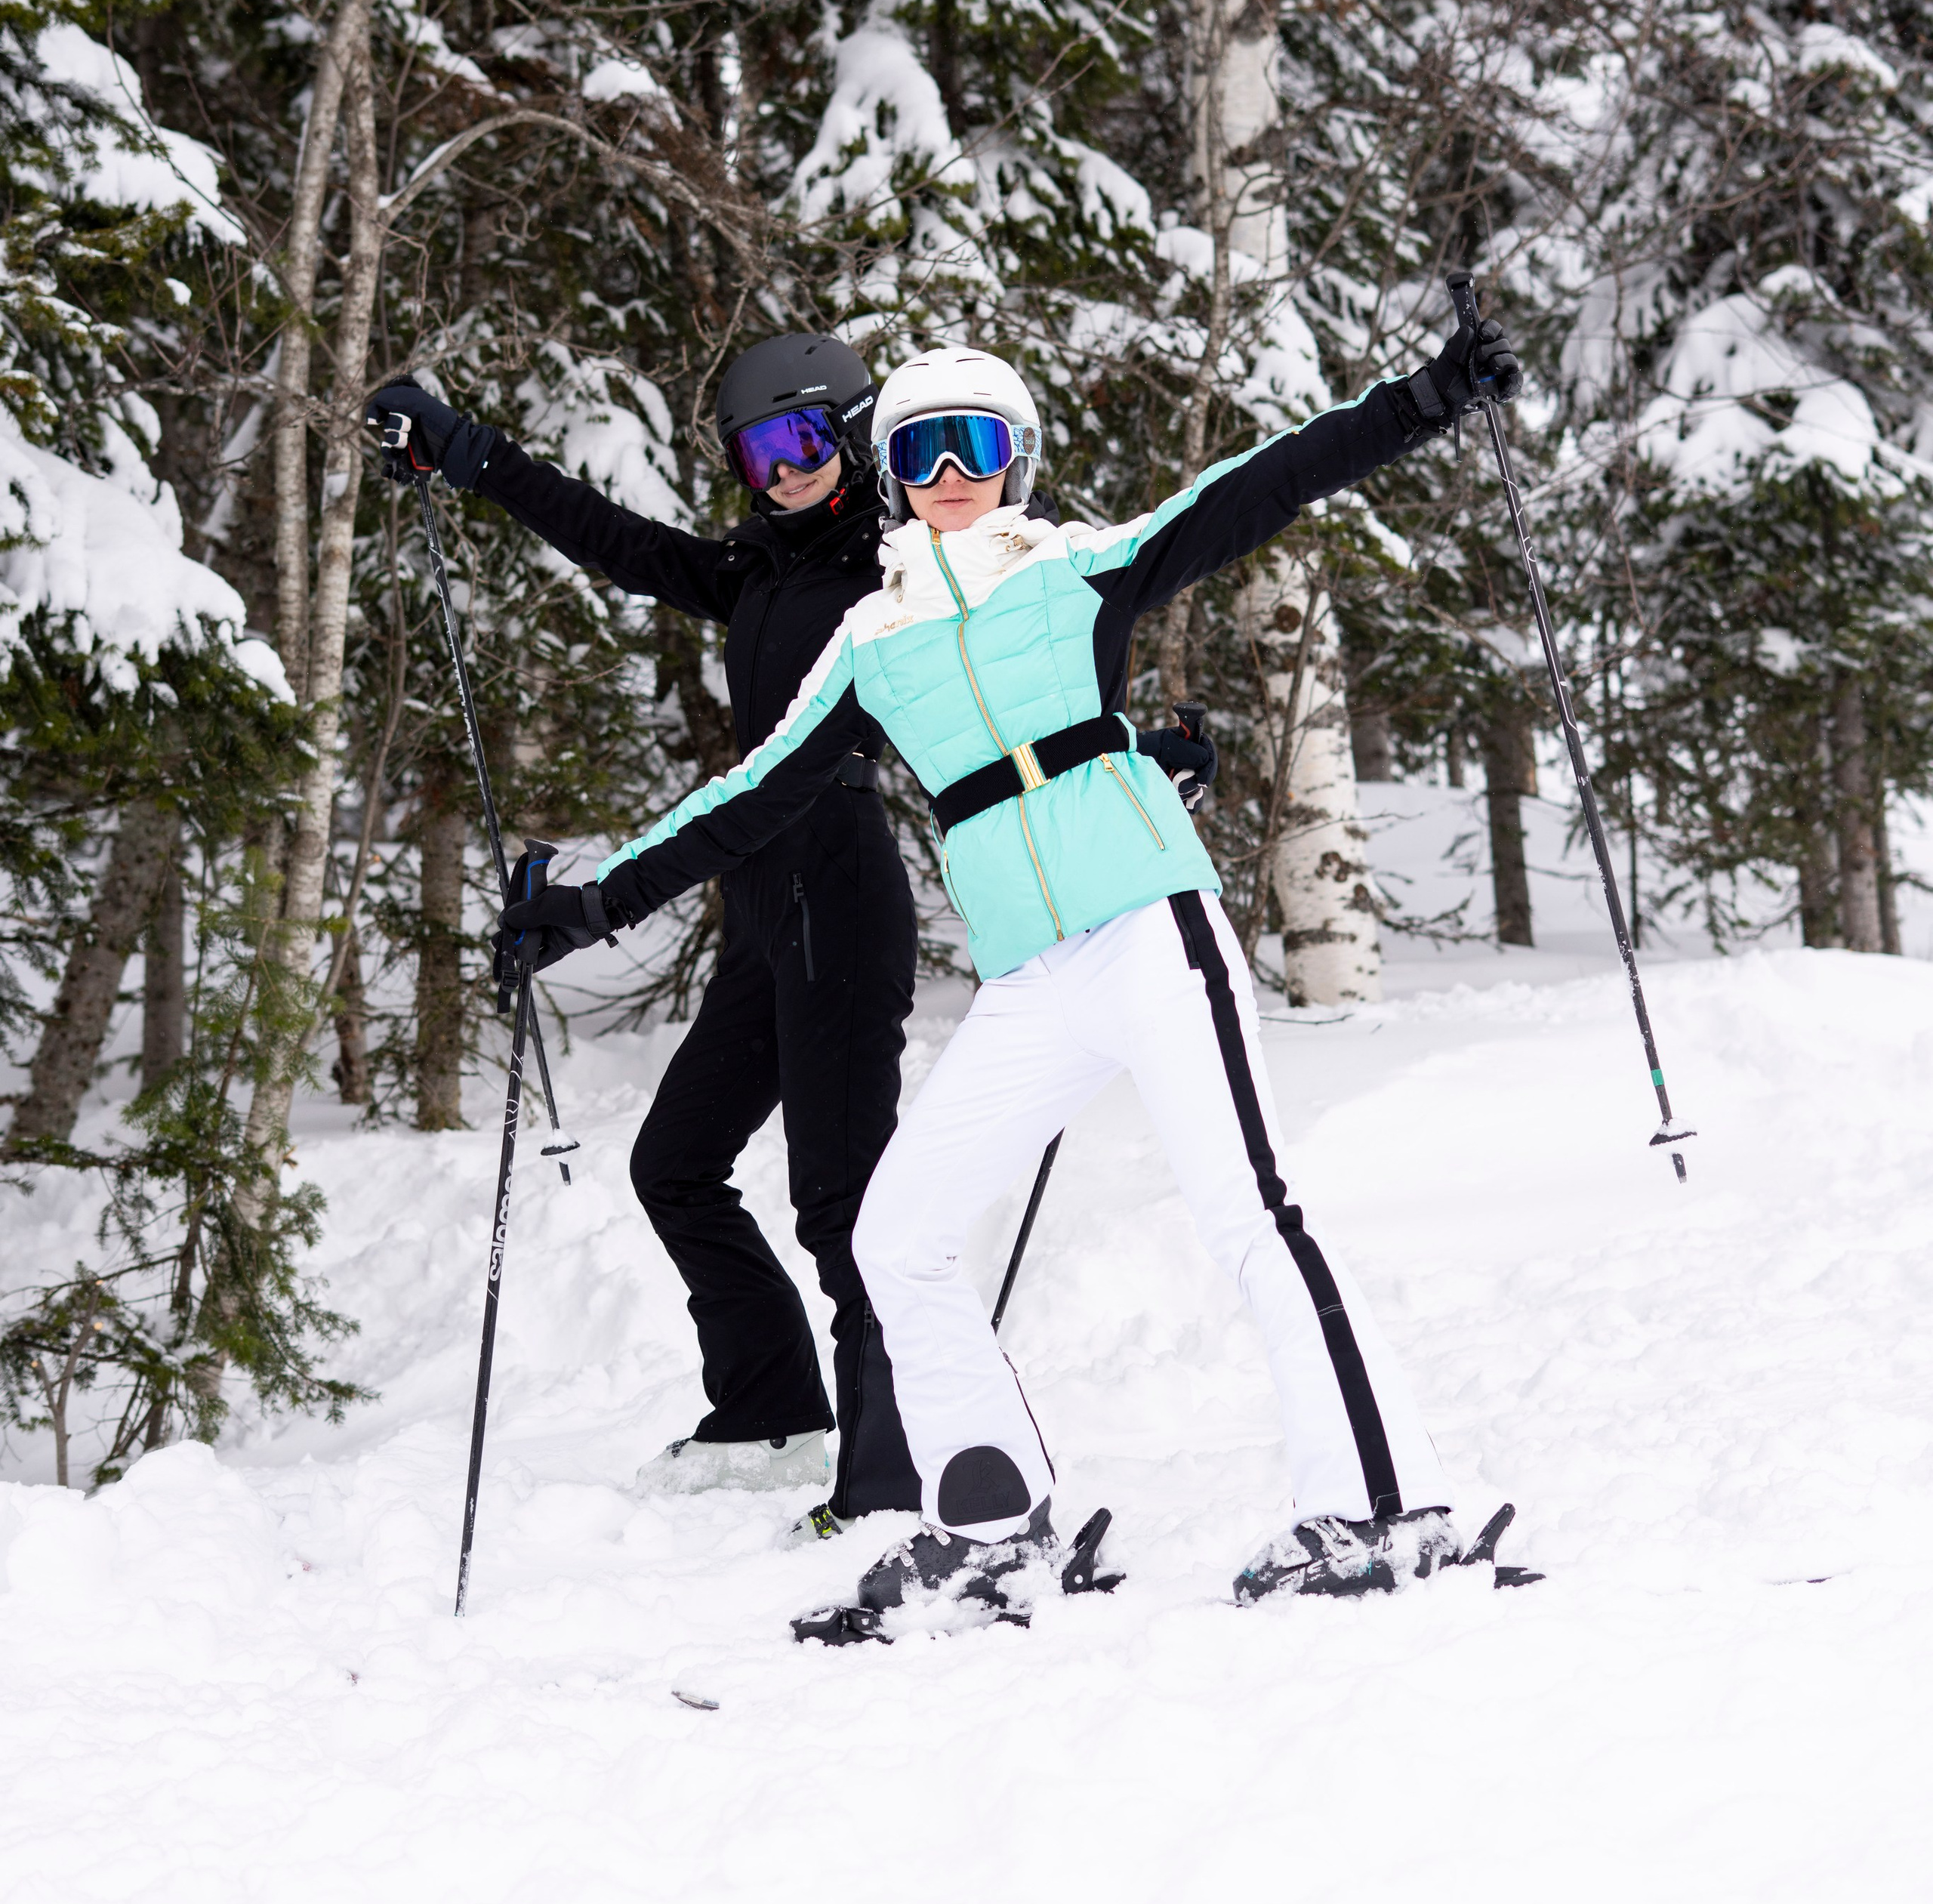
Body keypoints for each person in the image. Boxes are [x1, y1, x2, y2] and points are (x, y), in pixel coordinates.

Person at [491, 304, 1533, 1627]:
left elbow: (1260, 485)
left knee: (1250, 1217)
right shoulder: (873, 643)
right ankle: (992, 1532)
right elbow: (747, 798)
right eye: (917, 452)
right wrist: (594, 905)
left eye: (973, 446)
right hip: (1033, 981)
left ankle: (1387, 1513)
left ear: (1017, 461)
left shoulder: (1079, 570)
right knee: (899, 1237)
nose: (947, 475)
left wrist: (1423, 400)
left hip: (1150, 931)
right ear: (888, 475)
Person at [368, 336, 925, 1529]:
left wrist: (1128, 748)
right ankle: (772, 1410)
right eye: (758, 454)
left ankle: (893, 1478)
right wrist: (471, 457)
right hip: (763, 901)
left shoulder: (896, 576)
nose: (784, 471)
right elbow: (617, 543)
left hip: (839, 888)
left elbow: (1031, 631)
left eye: (805, 441)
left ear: (854, 435)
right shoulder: (759, 570)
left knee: (845, 1209)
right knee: (675, 1164)